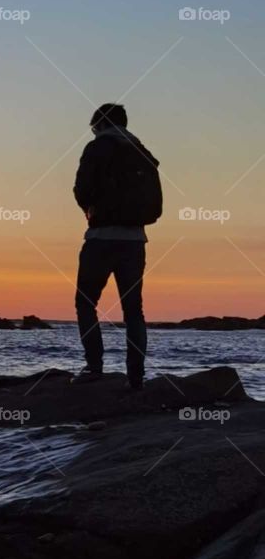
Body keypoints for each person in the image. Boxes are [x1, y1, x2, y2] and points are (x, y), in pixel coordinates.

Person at [72, 103, 162, 389]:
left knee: (85, 302)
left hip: (100, 238)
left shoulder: (97, 148)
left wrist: (92, 209)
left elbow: (81, 189)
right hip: (135, 241)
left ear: (99, 123)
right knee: (133, 309)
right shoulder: (142, 152)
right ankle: (135, 377)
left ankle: (94, 367)